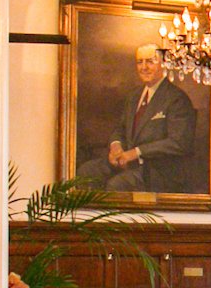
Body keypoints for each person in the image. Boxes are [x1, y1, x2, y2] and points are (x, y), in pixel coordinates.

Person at [84, 44, 199, 193]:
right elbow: (121, 128)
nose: (144, 67)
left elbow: (179, 143)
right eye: (140, 62)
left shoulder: (176, 98)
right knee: (86, 172)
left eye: (150, 61)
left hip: (158, 171)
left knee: (117, 185)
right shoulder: (134, 96)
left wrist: (136, 152)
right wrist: (116, 146)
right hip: (128, 164)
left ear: (163, 63)